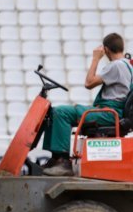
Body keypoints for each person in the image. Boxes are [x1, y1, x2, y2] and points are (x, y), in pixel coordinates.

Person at [42, 33, 133, 176]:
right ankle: (55, 159)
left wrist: (95, 59)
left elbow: (89, 83)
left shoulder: (116, 65)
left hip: (109, 112)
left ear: (106, 50)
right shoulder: (127, 65)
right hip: (110, 111)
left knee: (61, 112)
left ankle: (63, 162)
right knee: (54, 113)